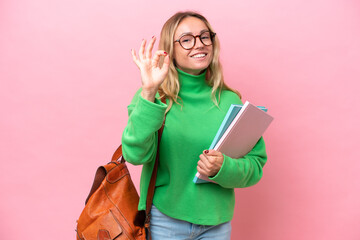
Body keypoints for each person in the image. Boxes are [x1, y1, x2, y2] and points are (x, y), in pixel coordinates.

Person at [122, 11, 267, 240]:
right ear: (170, 50)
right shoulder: (154, 97)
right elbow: (134, 155)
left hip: (217, 225)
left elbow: (255, 166)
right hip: (164, 222)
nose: (199, 44)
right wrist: (149, 91)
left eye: (204, 36)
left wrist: (223, 168)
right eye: (187, 39)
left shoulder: (230, 101)